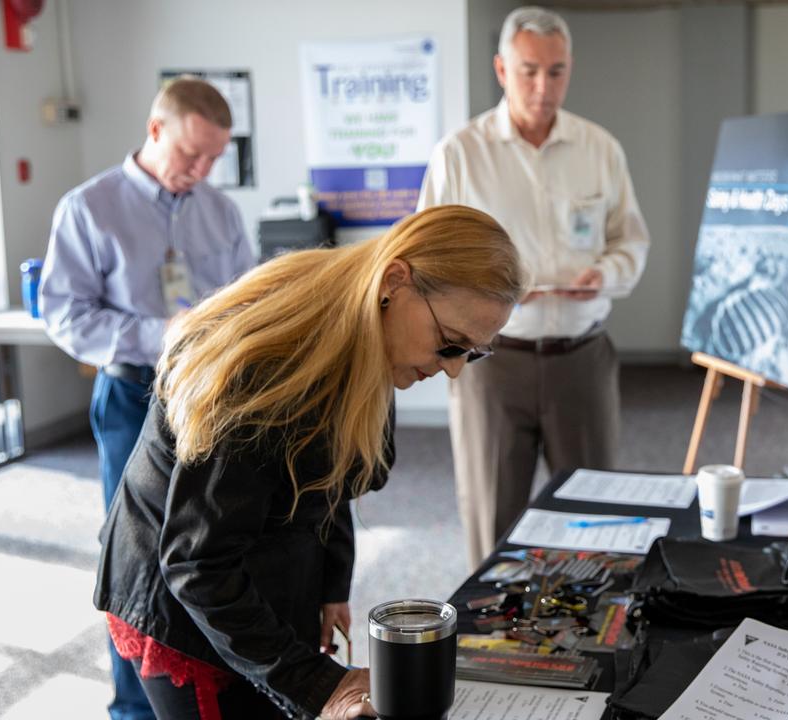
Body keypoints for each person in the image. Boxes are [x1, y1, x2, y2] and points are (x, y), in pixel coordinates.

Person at [92, 206, 524, 719]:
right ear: (394, 282)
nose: (453, 370)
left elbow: (329, 475)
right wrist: (320, 686)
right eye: (450, 344)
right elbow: (197, 563)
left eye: (471, 353)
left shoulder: (364, 329)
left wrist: (329, 581)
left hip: (251, 551)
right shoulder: (262, 375)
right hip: (184, 600)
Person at [39, 77, 253, 720]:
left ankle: (213, 687)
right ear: (156, 131)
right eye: (192, 154)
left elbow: (245, 301)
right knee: (134, 565)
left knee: (209, 543)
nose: (202, 169)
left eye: (215, 157)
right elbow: (64, 313)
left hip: (214, 400)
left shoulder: (220, 209)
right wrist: (155, 333)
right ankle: (134, 708)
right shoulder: (89, 207)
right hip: (136, 393)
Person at [417, 6, 650, 569]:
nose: (543, 87)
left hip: (581, 358)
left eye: (556, 71)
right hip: (492, 365)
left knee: (595, 518)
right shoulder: (459, 155)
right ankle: (488, 648)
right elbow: (425, 261)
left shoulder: (600, 149)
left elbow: (631, 242)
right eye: (528, 71)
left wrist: (607, 274)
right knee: (492, 521)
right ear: (501, 69)